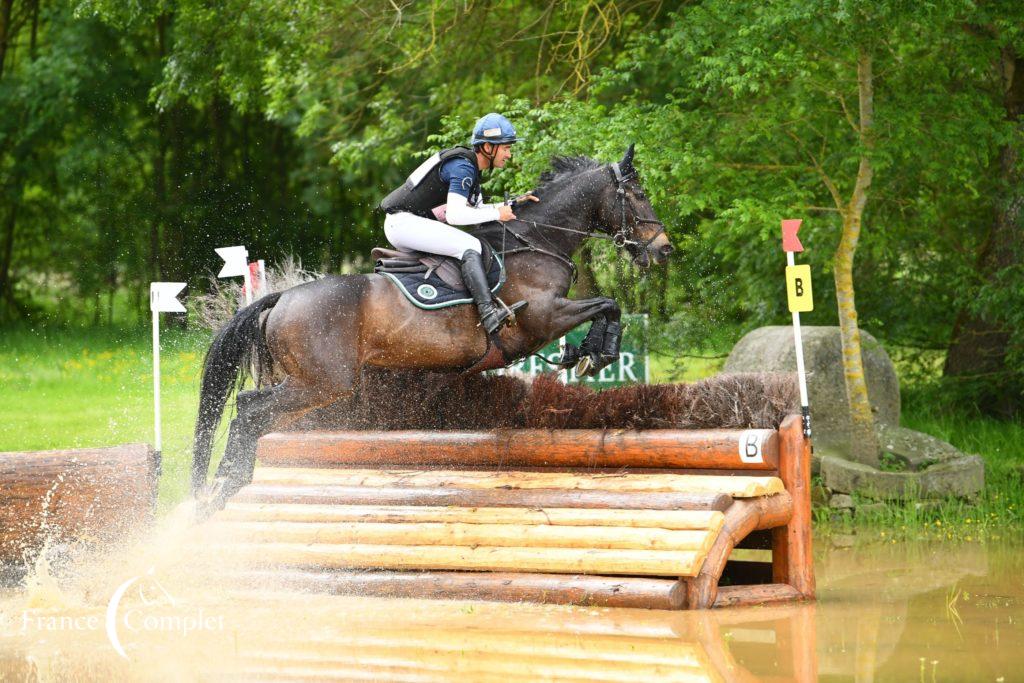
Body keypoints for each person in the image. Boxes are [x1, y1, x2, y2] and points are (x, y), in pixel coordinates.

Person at [378, 113, 537, 333]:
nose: (509, 154)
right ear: (488, 147)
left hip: (408, 225)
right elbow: (456, 216)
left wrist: (512, 204)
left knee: (467, 244)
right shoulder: (463, 168)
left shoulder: (469, 168)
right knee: (469, 246)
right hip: (404, 224)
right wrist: (497, 214)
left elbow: (476, 210)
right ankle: (489, 314)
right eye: (506, 148)